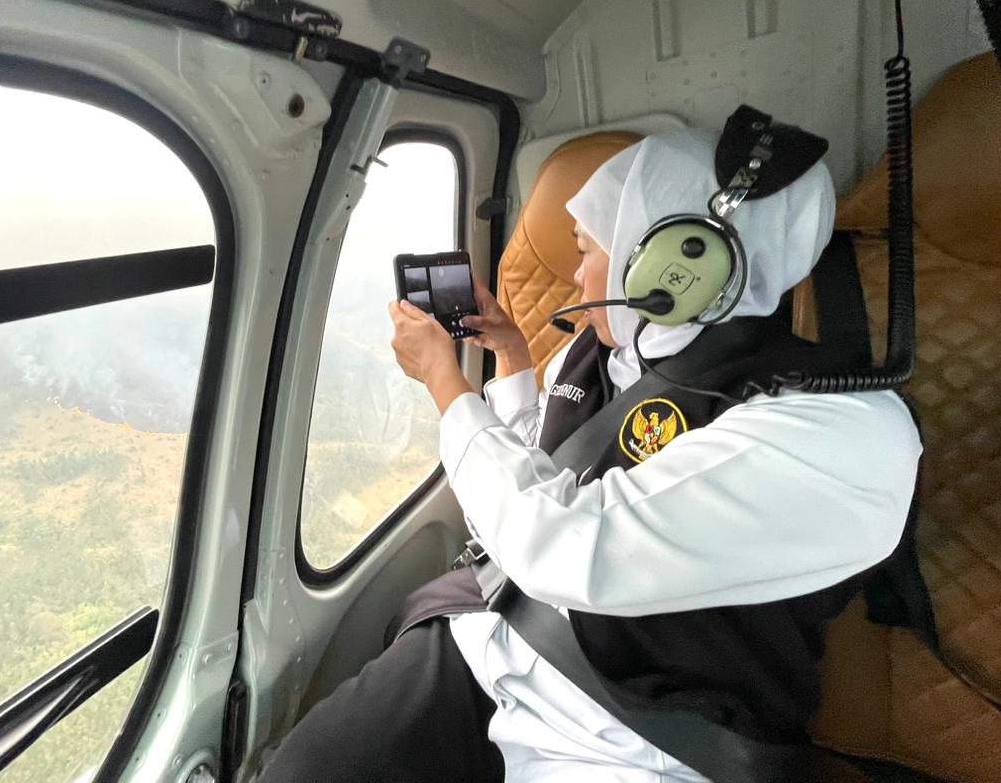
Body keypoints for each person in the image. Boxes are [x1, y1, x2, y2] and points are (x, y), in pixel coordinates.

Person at [259, 129, 920, 783]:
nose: (574, 279)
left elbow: (570, 543)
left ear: (672, 263)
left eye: (586, 251)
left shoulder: (844, 429)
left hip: (638, 736)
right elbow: (515, 511)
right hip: (487, 642)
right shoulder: (604, 356)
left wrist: (447, 387)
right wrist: (512, 362)